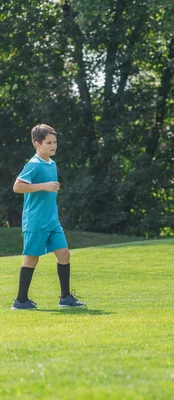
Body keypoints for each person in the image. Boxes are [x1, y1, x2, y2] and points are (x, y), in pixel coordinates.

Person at [11, 124, 86, 310]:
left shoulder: (52, 163)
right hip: (35, 221)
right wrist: (43, 186)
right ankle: (20, 301)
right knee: (31, 259)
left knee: (64, 254)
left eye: (55, 142)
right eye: (49, 142)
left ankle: (65, 298)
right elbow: (17, 186)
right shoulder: (33, 165)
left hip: (52, 221)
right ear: (37, 144)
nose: (54, 146)